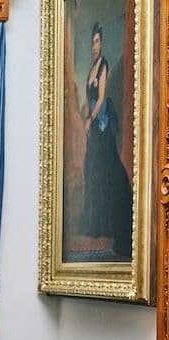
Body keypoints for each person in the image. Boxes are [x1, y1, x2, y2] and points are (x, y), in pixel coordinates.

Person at [80, 22, 133, 259]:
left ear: (102, 43)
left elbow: (101, 98)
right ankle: (96, 222)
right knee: (92, 170)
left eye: (97, 41)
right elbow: (89, 98)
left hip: (102, 126)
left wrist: (91, 119)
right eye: (92, 42)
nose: (94, 46)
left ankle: (123, 213)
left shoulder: (103, 66)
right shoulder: (91, 68)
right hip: (93, 127)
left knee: (109, 170)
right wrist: (85, 114)